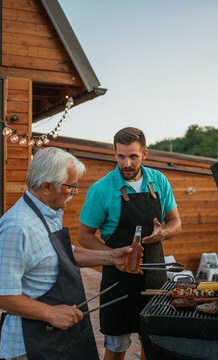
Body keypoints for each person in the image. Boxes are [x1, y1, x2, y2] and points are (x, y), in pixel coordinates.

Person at [0, 147, 134, 360]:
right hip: (30, 344)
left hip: (57, 339)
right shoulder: (17, 227)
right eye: (71, 186)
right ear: (46, 186)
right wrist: (50, 313)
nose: (75, 191)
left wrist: (111, 257)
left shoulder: (47, 213)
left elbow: (63, 253)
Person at [78, 127, 182, 360]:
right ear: (114, 154)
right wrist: (113, 255)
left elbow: (176, 222)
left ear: (145, 154)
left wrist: (163, 234)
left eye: (133, 156)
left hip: (155, 276)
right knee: (116, 347)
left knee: (152, 344)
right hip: (118, 281)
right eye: (121, 156)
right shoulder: (100, 190)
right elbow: (84, 235)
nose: (127, 163)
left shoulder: (159, 181)